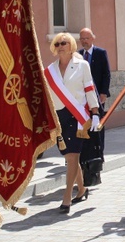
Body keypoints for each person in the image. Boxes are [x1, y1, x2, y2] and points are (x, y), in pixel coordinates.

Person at [45, 32, 100, 213]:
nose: (61, 46)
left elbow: (89, 88)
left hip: (77, 117)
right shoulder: (50, 70)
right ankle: (82, 189)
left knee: (72, 156)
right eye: (58, 43)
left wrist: (95, 112)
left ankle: (67, 196)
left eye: (65, 43)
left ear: (71, 46)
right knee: (68, 154)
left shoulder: (82, 65)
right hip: (59, 116)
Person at [78, 27, 111, 186]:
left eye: (87, 38)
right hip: (82, 101)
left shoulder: (100, 53)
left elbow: (106, 73)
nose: (84, 41)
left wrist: (104, 92)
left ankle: (98, 161)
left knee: (98, 130)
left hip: (98, 98)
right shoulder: (77, 55)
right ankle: (86, 165)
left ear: (93, 38)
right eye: (82, 38)